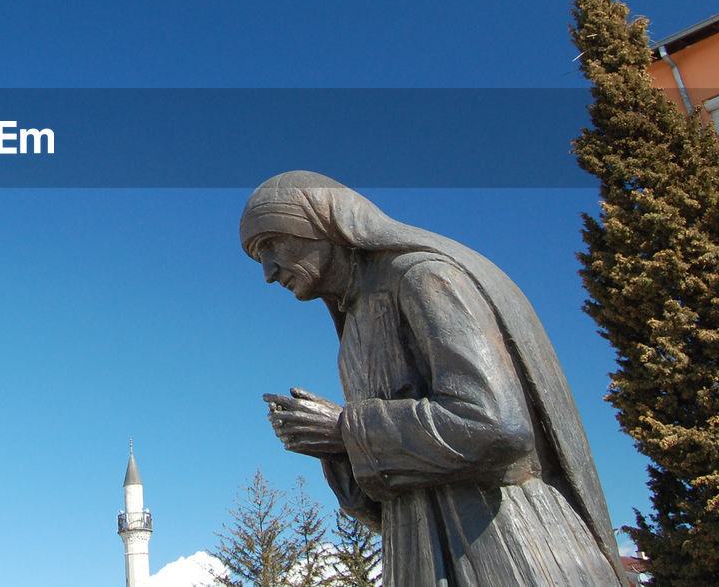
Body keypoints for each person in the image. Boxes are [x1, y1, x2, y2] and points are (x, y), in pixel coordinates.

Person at [240, 171, 627, 586]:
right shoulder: (352, 327)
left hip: (501, 540)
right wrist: (333, 449)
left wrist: (345, 429)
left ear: (323, 223)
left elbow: (496, 426)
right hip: (418, 552)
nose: (268, 271)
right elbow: (387, 507)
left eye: (272, 244)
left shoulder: (422, 276)